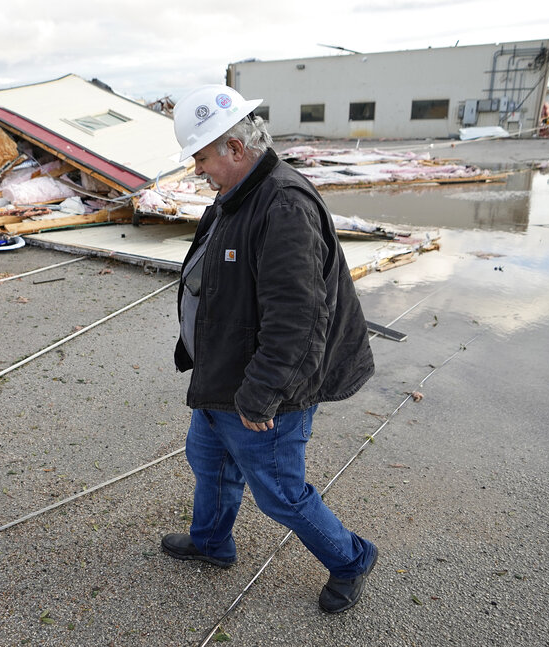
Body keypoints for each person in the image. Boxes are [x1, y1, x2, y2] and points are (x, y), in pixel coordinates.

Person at [161, 85, 378, 614]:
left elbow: (298, 320)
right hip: (224, 371)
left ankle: (352, 559)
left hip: (266, 384)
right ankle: (212, 542)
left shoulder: (283, 206)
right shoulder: (234, 196)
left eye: (202, 157)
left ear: (235, 148)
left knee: (280, 491)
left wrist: (261, 394)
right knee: (208, 460)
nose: (197, 170)